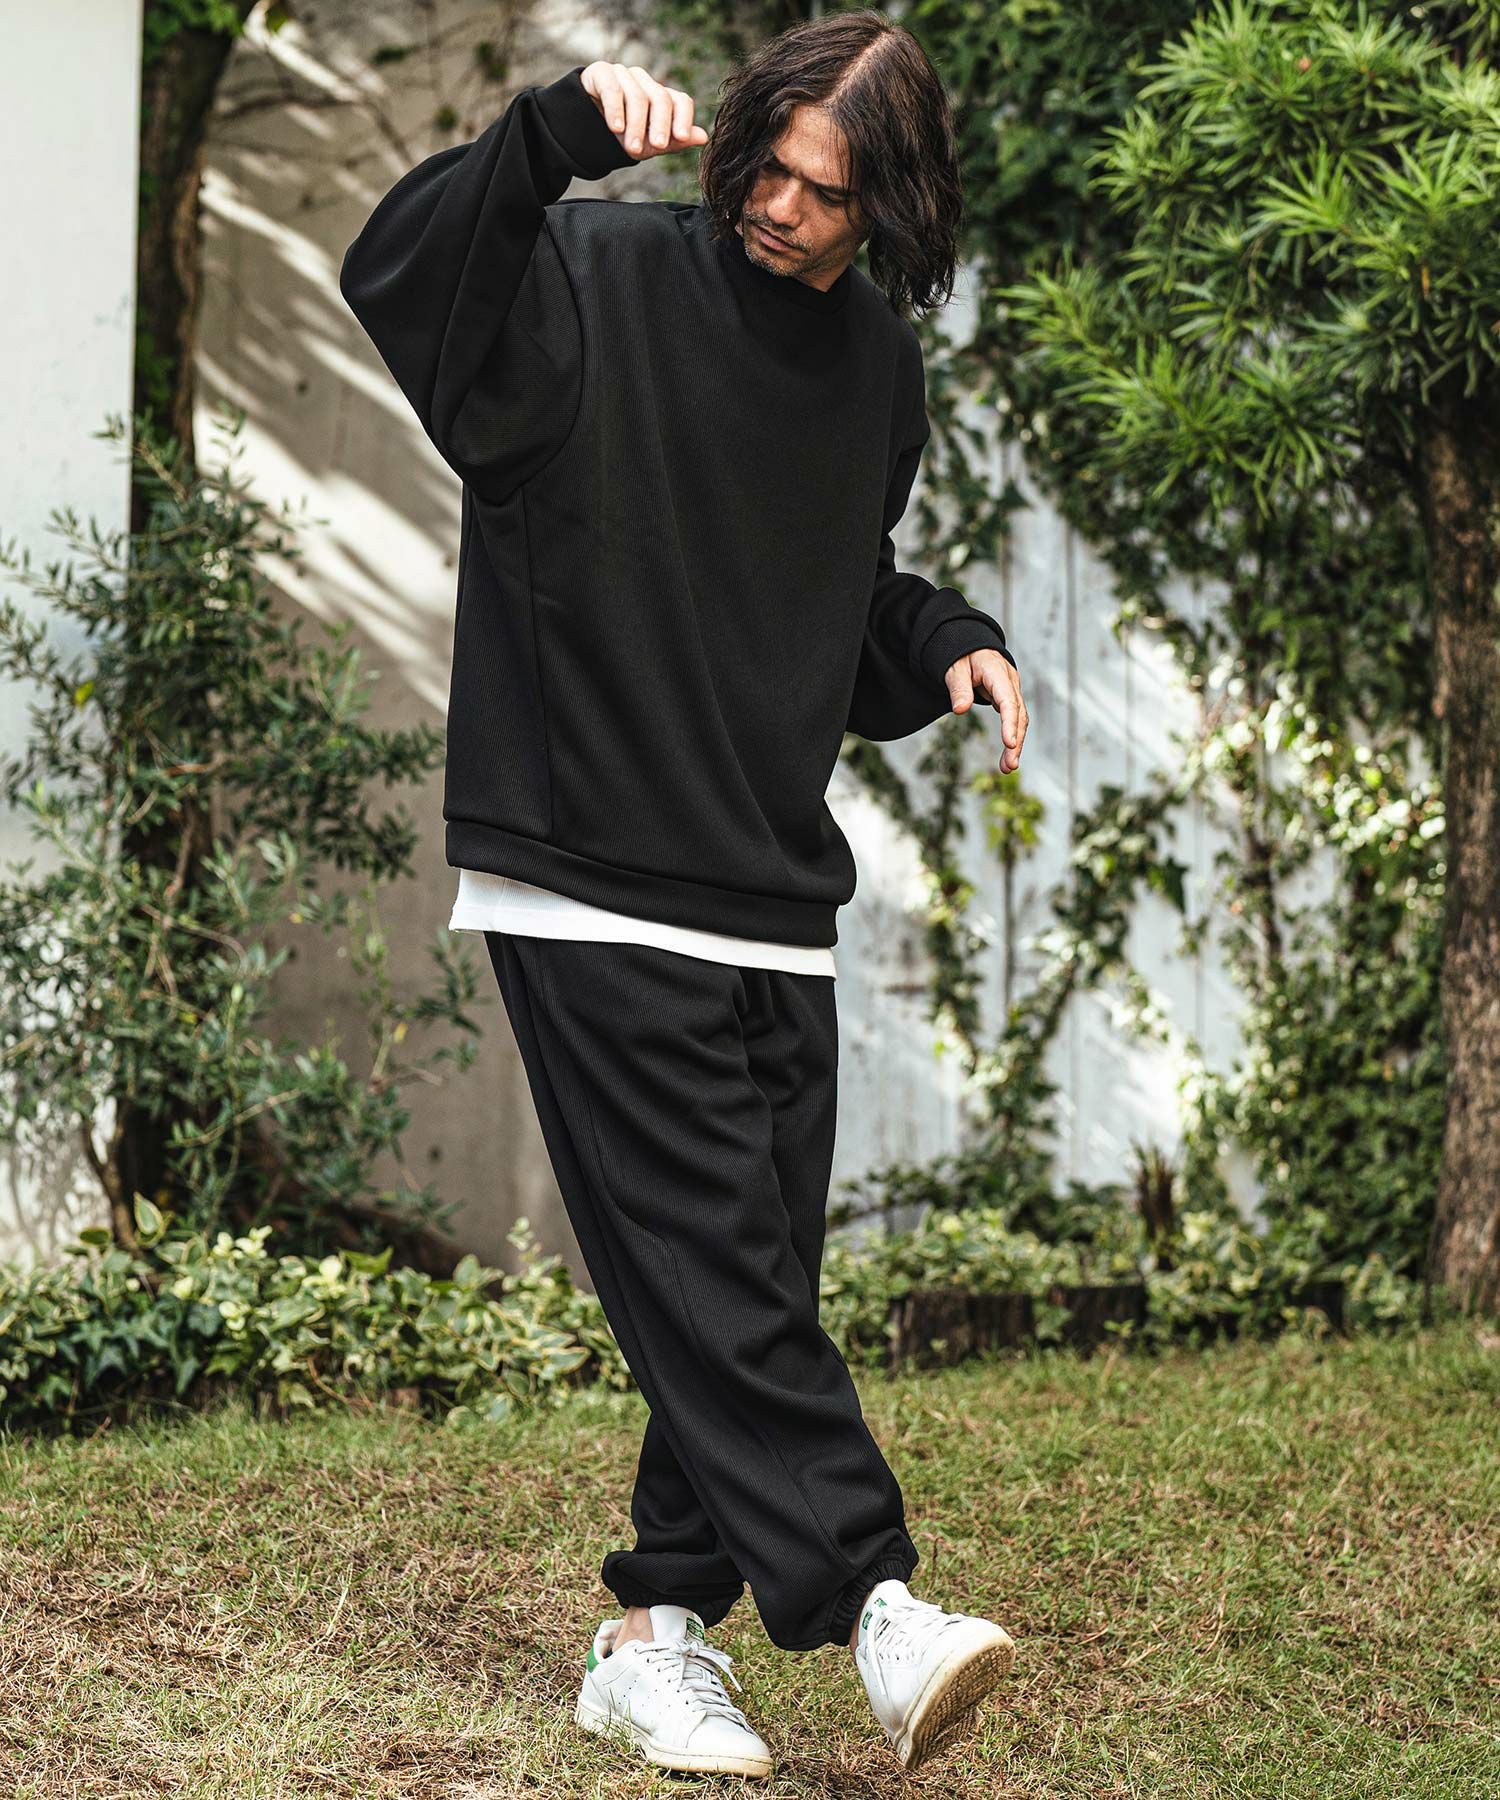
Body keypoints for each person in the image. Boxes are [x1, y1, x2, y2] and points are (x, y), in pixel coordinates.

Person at [338, 6, 1028, 1779]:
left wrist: (942, 639)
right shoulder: (588, 275)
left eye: (829, 191)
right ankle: (874, 1603)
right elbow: (395, 275)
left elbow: (829, 595)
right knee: (722, 1271)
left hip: (762, 888)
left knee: (739, 1278)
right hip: (586, 866)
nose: (785, 209)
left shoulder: (877, 371)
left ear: (890, 208)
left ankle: (653, 1637)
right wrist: (549, 134)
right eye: (769, 168)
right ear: (738, 144)